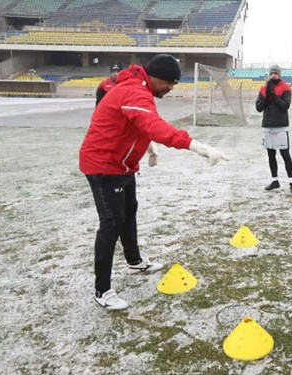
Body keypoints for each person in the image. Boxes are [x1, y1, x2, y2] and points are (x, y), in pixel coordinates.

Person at [79, 54, 229, 310]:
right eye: (170, 82)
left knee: (129, 213)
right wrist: (196, 146)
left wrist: (148, 149)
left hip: (122, 165)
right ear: (156, 77)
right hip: (104, 166)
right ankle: (102, 290)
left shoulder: (139, 89)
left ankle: (134, 260)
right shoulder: (134, 91)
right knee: (111, 223)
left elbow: (137, 125)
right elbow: (154, 125)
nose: (171, 88)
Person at [96, 63, 159, 166]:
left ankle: (152, 152)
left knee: (140, 131)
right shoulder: (103, 85)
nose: (115, 74)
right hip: (112, 116)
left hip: (128, 113)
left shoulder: (125, 84)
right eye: (113, 72)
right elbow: (98, 103)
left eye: (118, 72)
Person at [255, 64, 292, 194]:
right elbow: (258, 108)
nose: (273, 75)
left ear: (279, 74)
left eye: (276, 73)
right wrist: (267, 96)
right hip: (267, 125)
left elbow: (285, 106)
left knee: (285, 154)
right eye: (271, 73)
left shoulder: (285, 87)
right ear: (269, 74)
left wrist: (274, 96)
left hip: (281, 126)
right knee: (271, 155)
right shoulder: (263, 89)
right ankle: (275, 181)